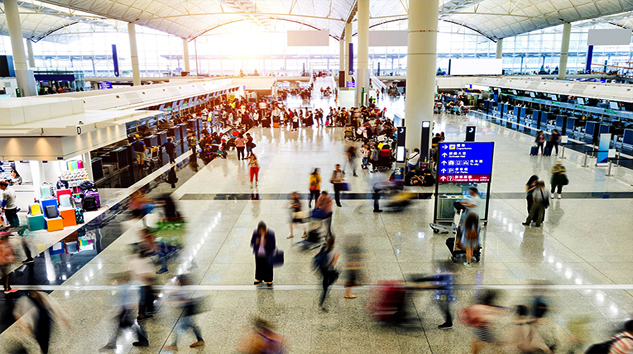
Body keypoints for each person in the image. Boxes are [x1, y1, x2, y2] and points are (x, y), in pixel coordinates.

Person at [101, 272, 149, 350]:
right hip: (126, 310)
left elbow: (132, 298)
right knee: (127, 326)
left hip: (127, 311)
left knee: (121, 325)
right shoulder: (128, 285)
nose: (121, 280)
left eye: (123, 279)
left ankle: (112, 344)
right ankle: (143, 341)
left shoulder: (130, 287)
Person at [164, 275, 205, 350]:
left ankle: (174, 345)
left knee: (177, 327)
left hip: (189, 311)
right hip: (189, 311)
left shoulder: (187, 289)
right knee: (192, 325)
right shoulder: (187, 287)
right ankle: (200, 340)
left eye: (179, 282)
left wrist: (175, 299)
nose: (178, 283)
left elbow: (183, 299)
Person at [128, 248, 156, 320]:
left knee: (145, 298)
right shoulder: (146, 261)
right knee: (143, 299)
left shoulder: (133, 261)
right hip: (143, 284)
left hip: (139, 283)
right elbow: (148, 274)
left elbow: (132, 271)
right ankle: (141, 314)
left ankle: (146, 312)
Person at [316, 236, 339, 312]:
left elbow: (317, 255)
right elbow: (333, 263)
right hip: (327, 269)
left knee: (325, 280)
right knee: (326, 286)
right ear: (333, 242)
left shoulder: (322, 247)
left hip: (321, 268)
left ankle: (325, 285)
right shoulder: (335, 251)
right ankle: (320, 306)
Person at [250, 221, 276, 287]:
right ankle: (259, 278)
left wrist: (266, 243)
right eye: (259, 230)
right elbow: (252, 243)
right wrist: (256, 242)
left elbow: (273, 245)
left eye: (262, 230)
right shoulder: (256, 233)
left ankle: (269, 279)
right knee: (259, 266)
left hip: (268, 253)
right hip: (258, 253)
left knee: (268, 267)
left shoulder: (270, 233)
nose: (261, 231)